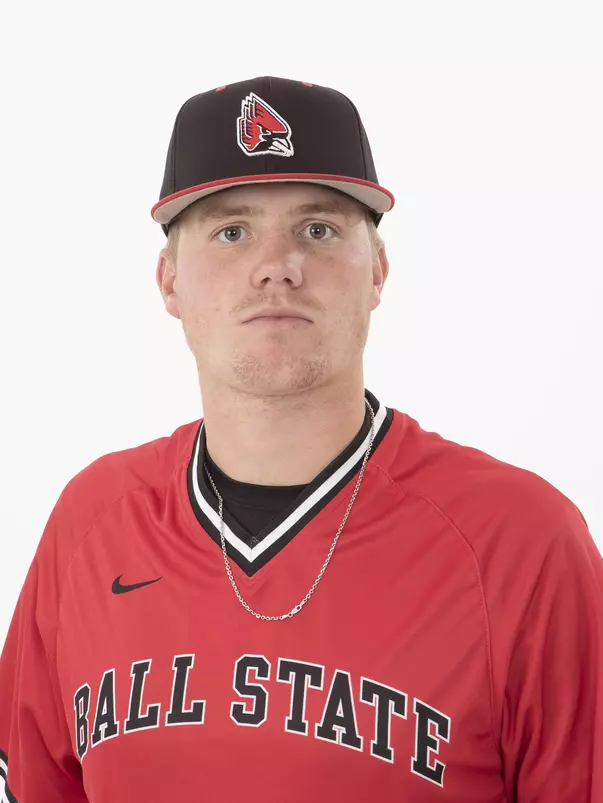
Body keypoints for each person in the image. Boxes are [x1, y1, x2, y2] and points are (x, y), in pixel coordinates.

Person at [0, 76, 601, 803]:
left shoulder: (521, 541)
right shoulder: (90, 522)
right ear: (168, 281)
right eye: (231, 231)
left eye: (318, 229)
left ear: (376, 270)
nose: (275, 265)